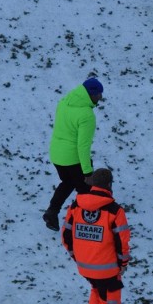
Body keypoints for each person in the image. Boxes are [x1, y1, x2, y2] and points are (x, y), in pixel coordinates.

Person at [61, 168, 131, 304]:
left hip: (85, 267)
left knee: (98, 292)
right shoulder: (114, 211)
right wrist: (123, 264)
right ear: (109, 185)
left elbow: (66, 234)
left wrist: (77, 256)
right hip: (107, 269)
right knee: (111, 302)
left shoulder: (76, 205)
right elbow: (122, 242)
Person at [43, 77, 104, 231]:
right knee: (86, 190)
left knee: (68, 183)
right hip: (72, 158)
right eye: (98, 94)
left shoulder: (63, 102)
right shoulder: (86, 115)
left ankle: (52, 211)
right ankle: (84, 223)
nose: (101, 97)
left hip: (56, 155)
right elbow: (83, 147)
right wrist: (87, 172)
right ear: (90, 94)